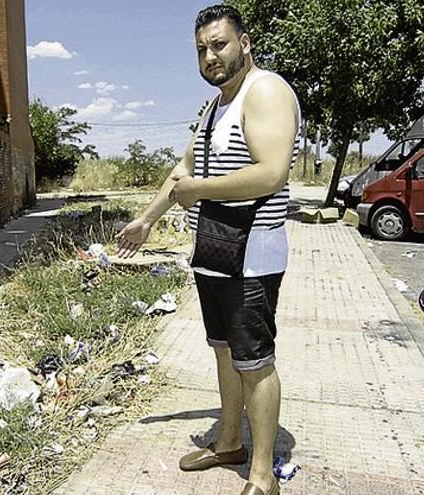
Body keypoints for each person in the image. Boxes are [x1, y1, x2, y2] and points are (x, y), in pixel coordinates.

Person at [116, 6, 299, 495]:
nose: (210, 55)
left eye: (219, 44)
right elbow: (184, 168)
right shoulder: (218, 106)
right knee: (224, 352)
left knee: (255, 361)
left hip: (253, 251)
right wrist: (147, 219)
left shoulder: (266, 91)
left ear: (244, 43)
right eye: (201, 49)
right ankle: (227, 442)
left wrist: (200, 190)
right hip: (216, 247)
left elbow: (271, 172)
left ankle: (262, 475)